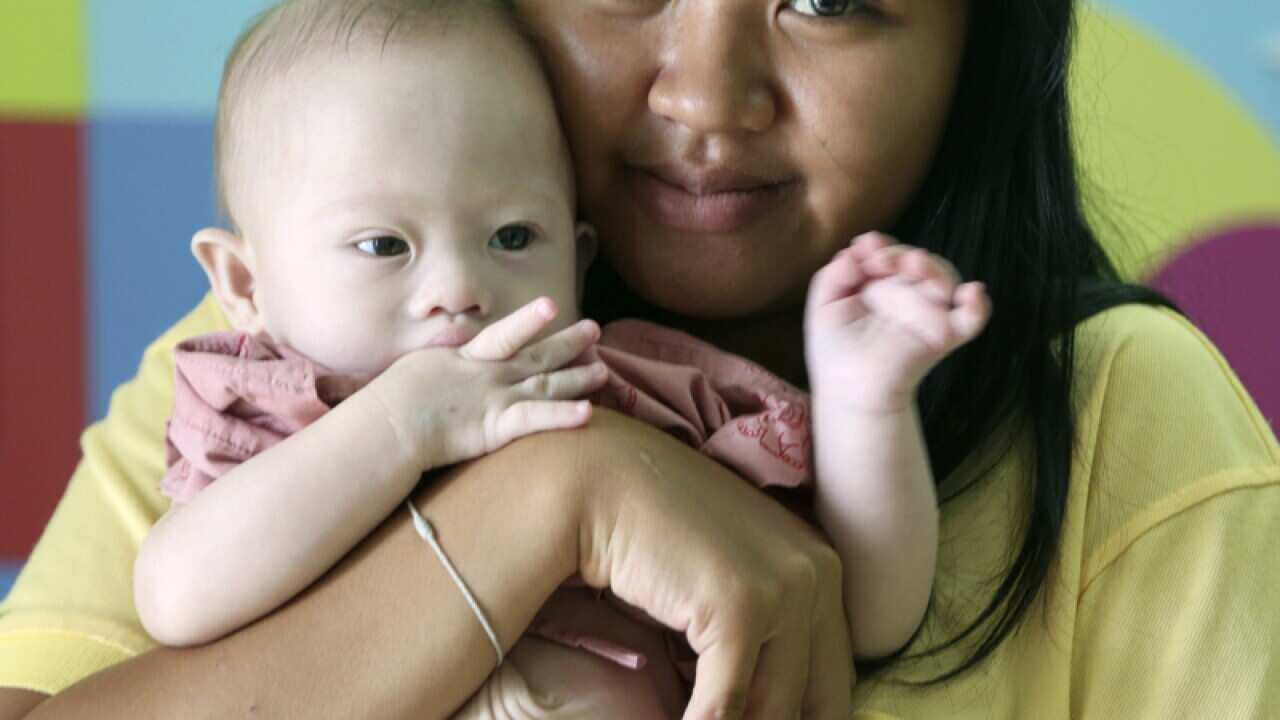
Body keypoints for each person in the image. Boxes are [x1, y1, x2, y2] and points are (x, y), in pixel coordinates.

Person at [2, 0, 1278, 717]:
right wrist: (559, 501)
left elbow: (866, 601)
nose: (705, 95)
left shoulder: (1117, 415)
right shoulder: (285, 350)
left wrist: (863, 399)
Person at [127, 1, 987, 716]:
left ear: (576, 261)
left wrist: (864, 405)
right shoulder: (267, 409)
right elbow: (175, 595)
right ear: (243, 280)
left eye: (512, 236)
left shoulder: (624, 389)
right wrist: (405, 423)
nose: (459, 288)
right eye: (384, 244)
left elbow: (865, 611)